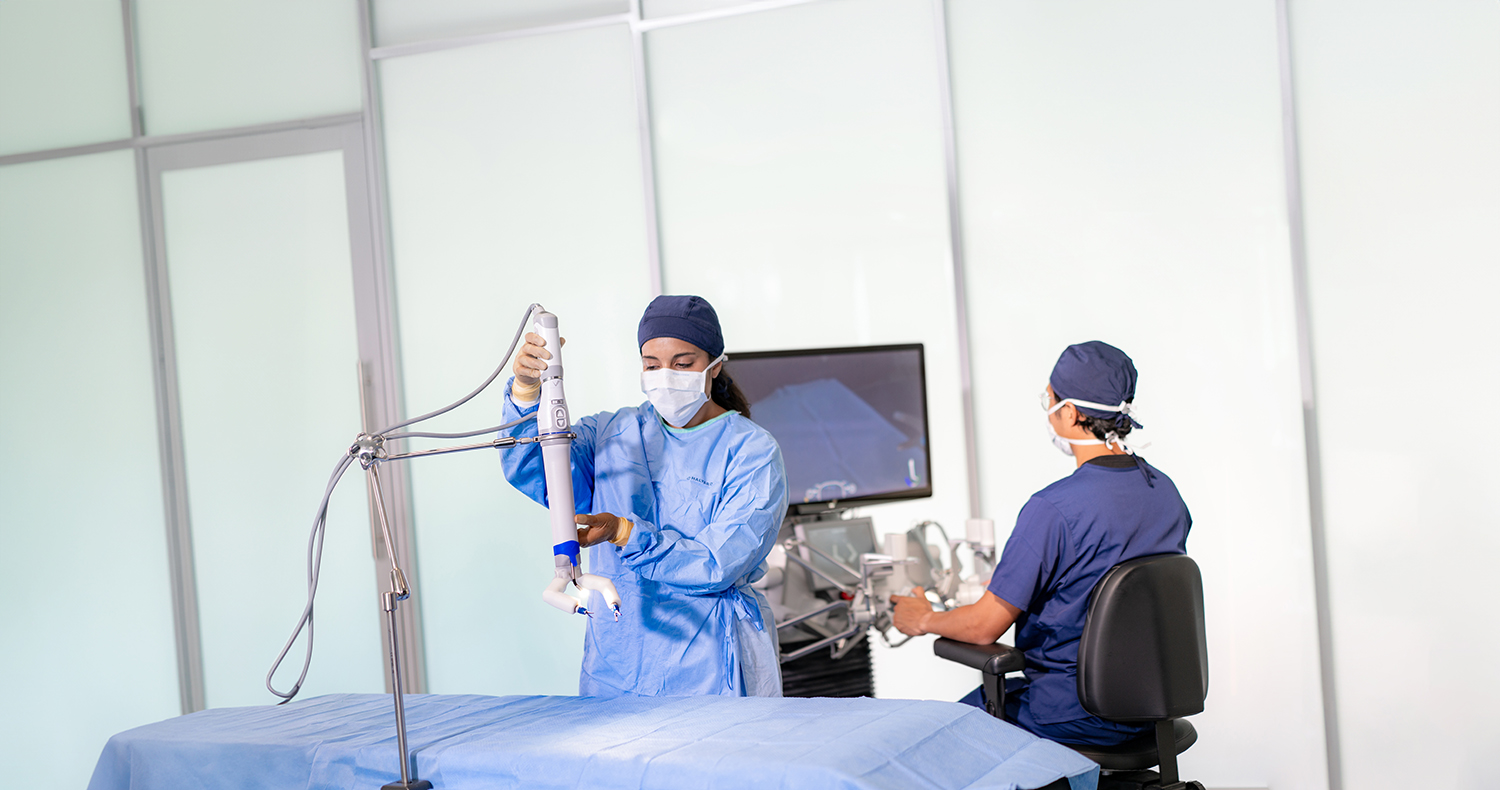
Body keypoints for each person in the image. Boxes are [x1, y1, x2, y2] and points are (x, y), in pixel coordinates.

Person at [890, 341, 1191, 746]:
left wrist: (923, 618)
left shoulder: (1054, 509)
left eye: (1049, 397)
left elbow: (983, 627)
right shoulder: (1165, 493)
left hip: (1068, 712)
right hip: (1153, 711)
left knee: (929, 742)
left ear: (1068, 412)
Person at [500, 295, 789, 698]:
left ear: (715, 365)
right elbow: (534, 467)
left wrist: (624, 532)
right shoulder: (611, 434)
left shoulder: (751, 452)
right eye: (652, 365)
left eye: (683, 363)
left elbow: (715, 564)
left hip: (707, 664)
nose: (665, 376)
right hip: (618, 662)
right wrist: (528, 392)